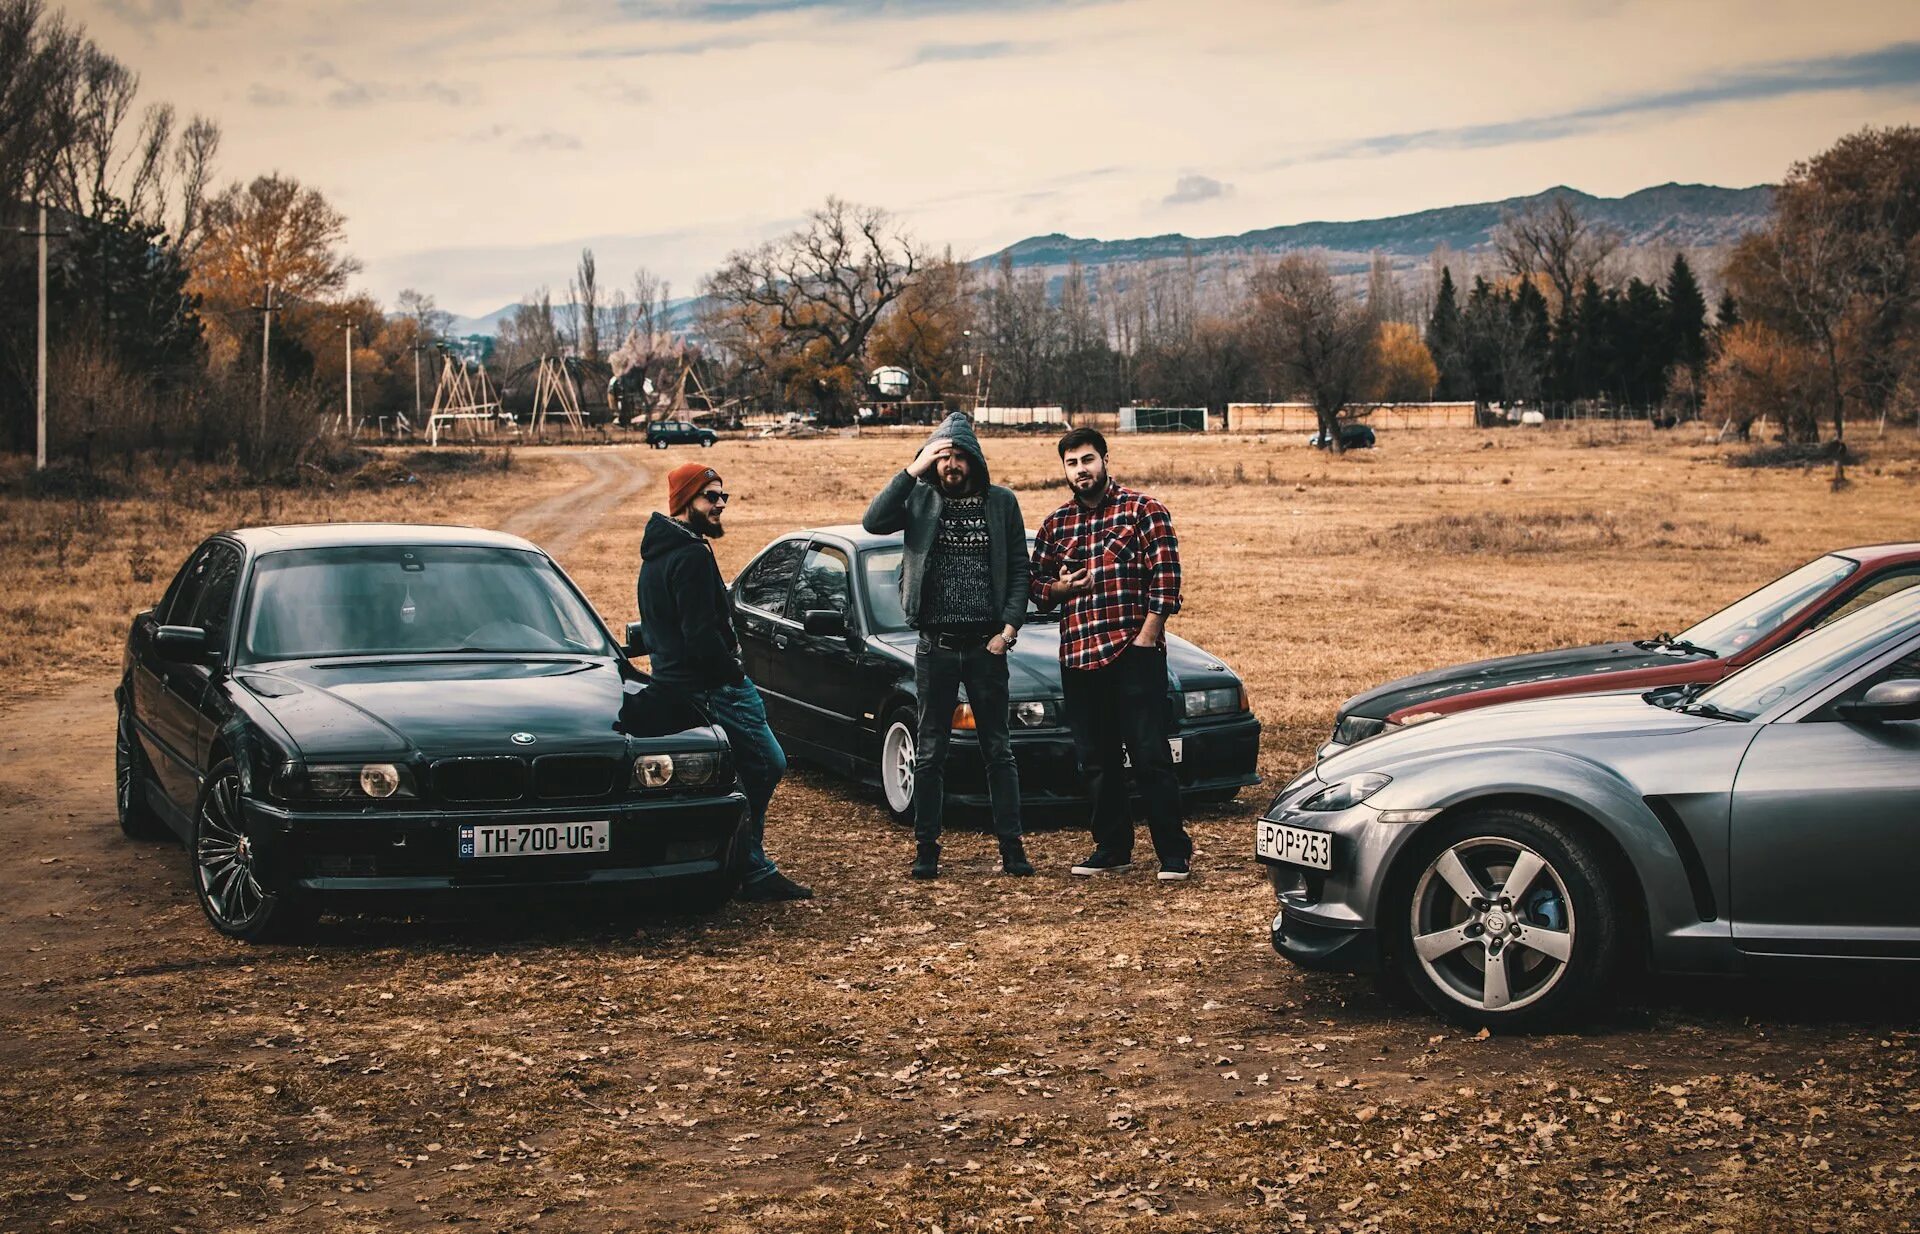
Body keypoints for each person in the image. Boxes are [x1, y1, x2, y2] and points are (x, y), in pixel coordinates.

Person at [862, 412, 1033, 880]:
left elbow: (1020, 570)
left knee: (998, 749)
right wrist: (913, 468)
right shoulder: (919, 499)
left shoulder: (1001, 503)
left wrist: (1009, 630)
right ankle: (926, 850)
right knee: (931, 751)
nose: (950, 464)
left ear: (973, 459)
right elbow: (873, 520)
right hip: (934, 647)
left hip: (986, 647)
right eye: (942, 456)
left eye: (958, 455)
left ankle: (1012, 849)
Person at [637, 461, 813, 902]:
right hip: (714, 686)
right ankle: (748, 863)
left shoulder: (659, 553)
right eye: (709, 497)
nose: (719, 505)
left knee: (726, 770)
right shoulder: (691, 554)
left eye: (722, 496)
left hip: (674, 682)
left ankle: (733, 858)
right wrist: (730, 671)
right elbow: (699, 634)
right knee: (768, 762)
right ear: (684, 502)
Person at [1029, 427, 1193, 880]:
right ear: (1064, 469)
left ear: (1104, 459)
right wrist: (1062, 587)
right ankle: (1112, 848)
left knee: (1149, 754)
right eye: (1072, 463)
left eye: (1088, 460)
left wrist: (1148, 637)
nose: (1081, 470)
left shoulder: (1144, 510)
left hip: (1132, 651)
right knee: (1096, 759)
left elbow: (1167, 578)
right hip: (1078, 655)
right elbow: (1035, 587)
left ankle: (1173, 854)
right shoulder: (1055, 524)